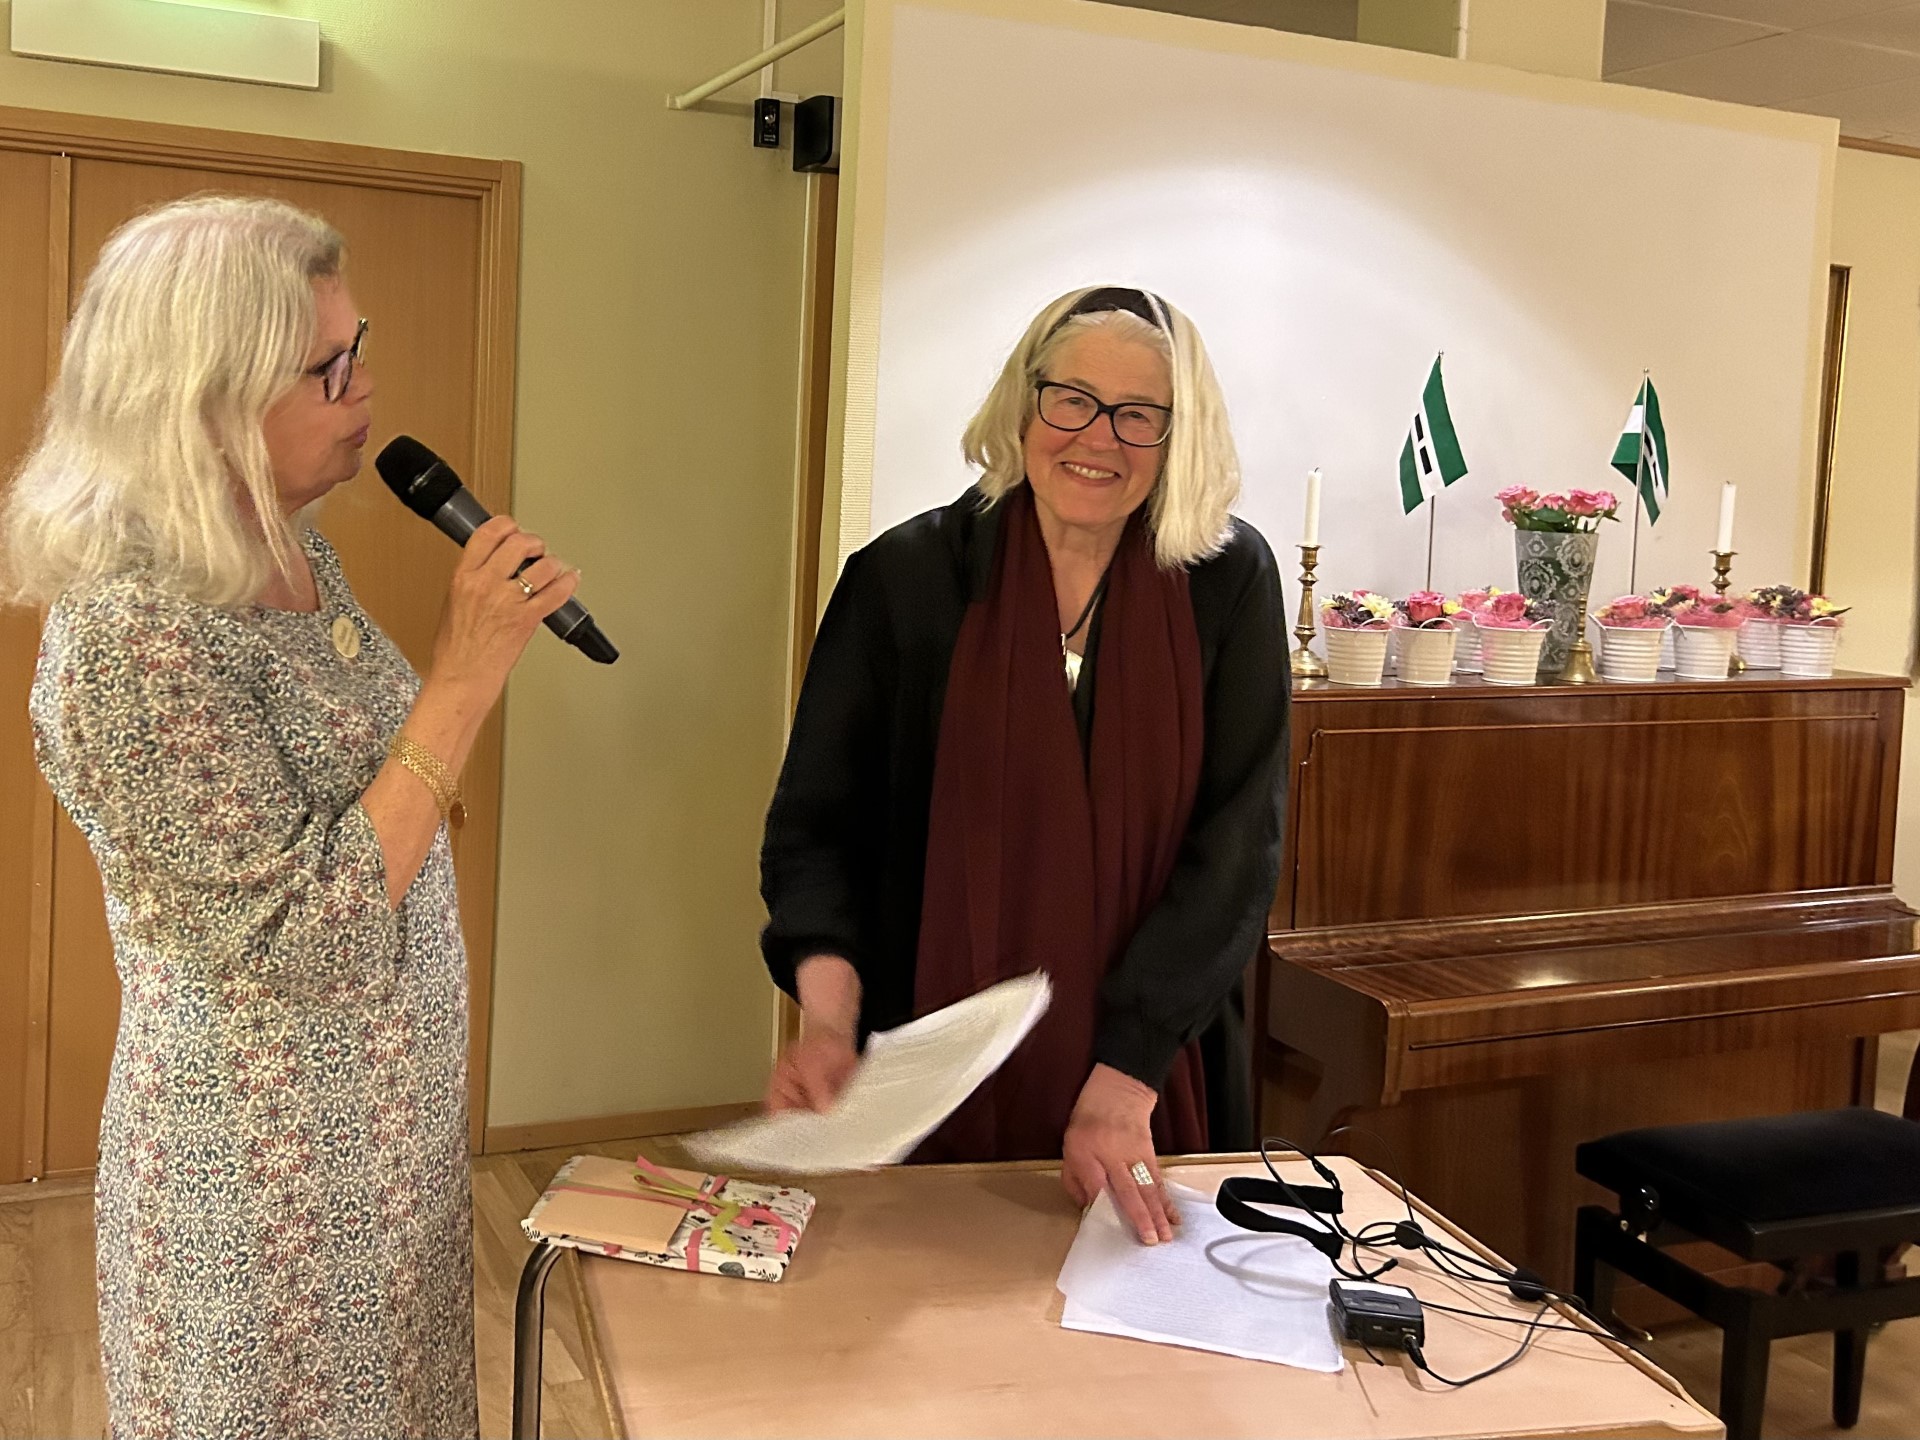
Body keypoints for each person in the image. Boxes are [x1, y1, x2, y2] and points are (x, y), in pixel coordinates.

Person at [2, 195, 577, 1438]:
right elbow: (301, 936)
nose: (365, 390)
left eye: (357, 349)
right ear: (202, 397)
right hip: (260, 1186)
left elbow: (364, 794)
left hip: (387, 1137)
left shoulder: (288, 545)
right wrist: (464, 678)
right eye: (329, 369)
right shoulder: (130, 633)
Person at [759, 285, 1288, 1245]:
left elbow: (1237, 851)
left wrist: (1126, 1074)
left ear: (1179, 437)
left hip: (1151, 1069)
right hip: (925, 1062)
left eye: (1139, 414)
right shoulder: (902, 579)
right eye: (1071, 399)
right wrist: (829, 1024)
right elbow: (817, 829)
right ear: (1023, 402)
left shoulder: (1228, 580)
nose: (1098, 437)